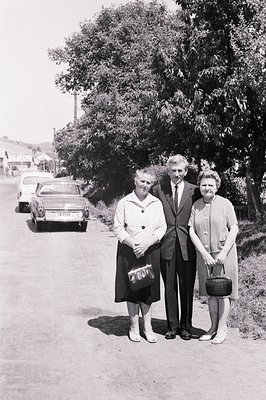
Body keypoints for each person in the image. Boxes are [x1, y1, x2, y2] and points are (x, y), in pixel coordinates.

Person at [114, 167, 167, 343]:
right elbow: (118, 227)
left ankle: (148, 327)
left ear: (152, 184)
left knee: (147, 290)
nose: (145, 185)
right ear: (135, 180)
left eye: (148, 182)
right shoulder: (124, 202)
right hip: (130, 252)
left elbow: (161, 227)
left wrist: (147, 243)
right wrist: (134, 244)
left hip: (150, 250)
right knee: (132, 289)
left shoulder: (156, 203)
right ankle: (134, 326)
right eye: (142, 181)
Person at [152, 155, 201, 340]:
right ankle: (172, 326)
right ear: (168, 171)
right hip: (166, 245)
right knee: (170, 287)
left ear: (186, 171)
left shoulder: (195, 191)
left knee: (187, 287)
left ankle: (186, 327)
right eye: (173, 171)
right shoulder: (158, 190)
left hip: (188, 245)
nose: (177, 174)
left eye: (180, 170)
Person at [189, 169, 238, 344]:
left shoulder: (226, 204)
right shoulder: (196, 206)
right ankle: (212, 327)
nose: (207, 188)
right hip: (205, 257)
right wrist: (203, 253)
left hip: (224, 255)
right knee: (211, 293)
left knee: (223, 292)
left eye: (211, 185)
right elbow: (191, 231)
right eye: (204, 185)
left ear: (217, 186)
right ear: (200, 186)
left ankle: (222, 328)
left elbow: (234, 228)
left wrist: (224, 252)